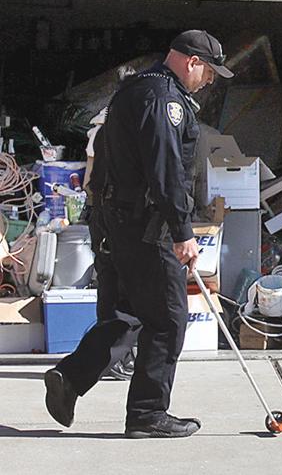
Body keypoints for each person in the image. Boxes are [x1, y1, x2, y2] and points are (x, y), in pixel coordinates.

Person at [44, 30, 232, 439]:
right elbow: (164, 171)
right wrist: (183, 231)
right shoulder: (165, 101)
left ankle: (70, 377)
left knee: (130, 313)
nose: (210, 81)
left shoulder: (135, 89)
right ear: (191, 61)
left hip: (118, 220)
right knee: (167, 319)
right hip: (148, 225)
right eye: (210, 72)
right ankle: (148, 414)